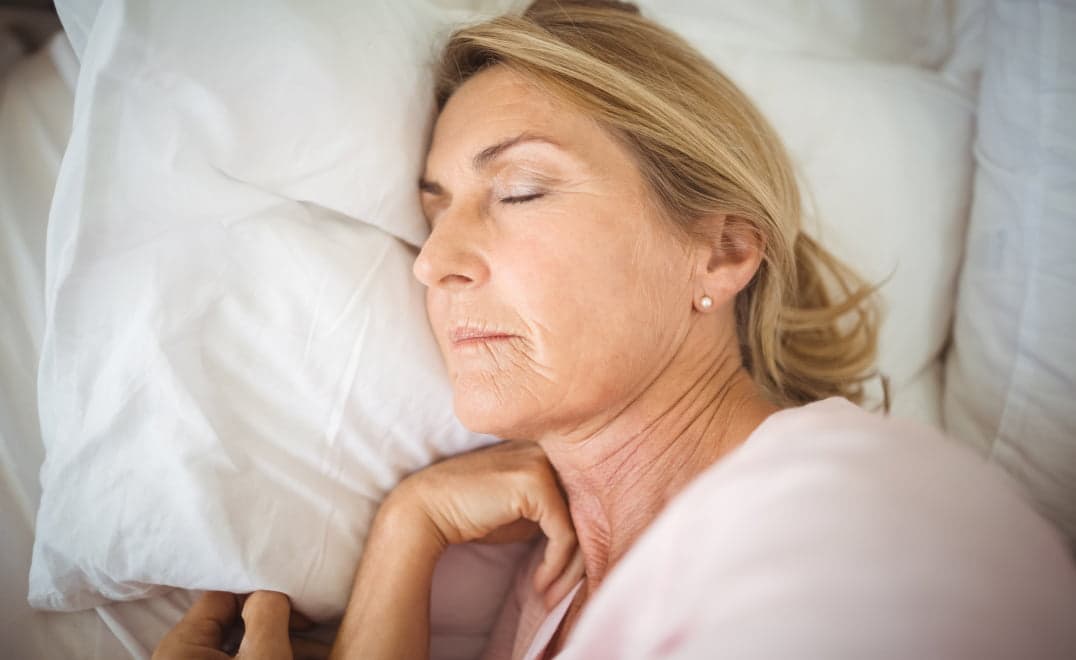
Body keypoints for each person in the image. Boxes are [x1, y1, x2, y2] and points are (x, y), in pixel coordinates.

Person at [154, 2, 1076, 659]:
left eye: (517, 190)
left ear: (719, 252)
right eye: (434, 213)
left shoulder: (862, 520)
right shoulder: (546, 596)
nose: (434, 262)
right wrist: (408, 529)